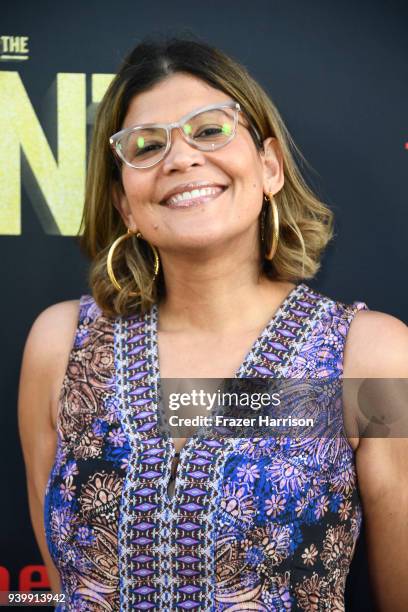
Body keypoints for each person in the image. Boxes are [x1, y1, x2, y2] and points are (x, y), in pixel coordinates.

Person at [18, 34, 408, 611]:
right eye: (145, 147)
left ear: (270, 166)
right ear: (126, 204)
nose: (179, 158)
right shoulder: (61, 346)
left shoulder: (371, 358)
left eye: (208, 130)